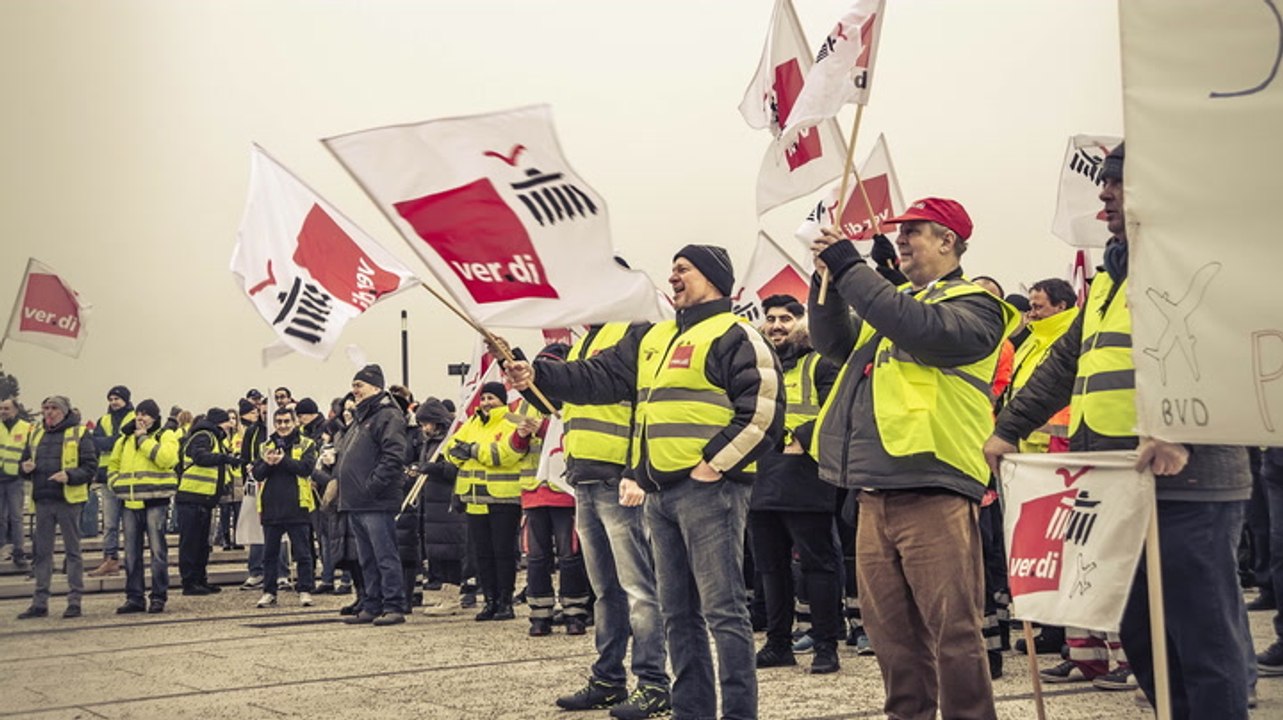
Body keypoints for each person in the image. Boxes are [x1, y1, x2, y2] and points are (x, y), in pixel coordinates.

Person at [985, 142, 1252, 719]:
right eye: (1103, 181)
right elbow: (1065, 362)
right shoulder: (1110, 275)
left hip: (1191, 482)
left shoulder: (1195, 257)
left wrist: (1178, 424)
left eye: (1118, 182)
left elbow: (1234, 350)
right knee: (1143, 636)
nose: (1103, 193)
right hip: (1115, 484)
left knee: (1202, 636)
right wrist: (1009, 429)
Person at [506, 244, 784, 720]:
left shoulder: (735, 334)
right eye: (671, 269)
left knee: (724, 612)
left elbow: (763, 411)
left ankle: (739, 713)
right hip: (661, 494)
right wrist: (539, 375)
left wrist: (712, 465)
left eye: (684, 269)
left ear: (714, 278)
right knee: (678, 612)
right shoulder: (655, 338)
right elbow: (598, 377)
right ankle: (692, 709)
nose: (672, 277)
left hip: (711, 492)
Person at [808, 198, 1017, 719]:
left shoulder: (976, 304)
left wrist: (850, 266)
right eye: (898, 231)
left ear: (948, 240)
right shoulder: (894, 302)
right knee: (892, 637)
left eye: (913, 231)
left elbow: (925, 331)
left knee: (953, 632)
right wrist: (827, 284)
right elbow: (832, 341)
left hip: (935, 485)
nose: (900, 239)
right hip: (875, 491)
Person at [547, 321, 672, 718]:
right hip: (584, 477)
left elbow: (647, 405)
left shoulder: (635, 332)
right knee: (605, 592)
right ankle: (607, 680)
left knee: (638, 589)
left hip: (618, 478)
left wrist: (637, 470)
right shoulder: (587, 341)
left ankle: (653, 684)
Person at [748, 294, 844, 675]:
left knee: (818, 566)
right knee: (770, 568)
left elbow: (838, 410)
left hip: (806, 480)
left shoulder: (821, 362)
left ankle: (826, 646)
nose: (776, 325)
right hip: (761, 480)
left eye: (786, 318)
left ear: (802, 323)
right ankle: (778, 644)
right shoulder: (757, 367)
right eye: (770, 318)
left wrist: (803, 435)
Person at [445, 381, 527, 622]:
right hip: (475, 498)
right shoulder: (472, 422)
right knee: (483, 554)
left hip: (503, 497)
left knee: (503, 553)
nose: (486, 403)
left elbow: (505, 453)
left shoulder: (512, 420)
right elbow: (451, 448)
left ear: (502, 400)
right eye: (483, 398)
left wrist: (472, 451)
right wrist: (467, 451)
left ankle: (505, 601)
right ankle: (489, 600)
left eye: (491, 398)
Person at [337, 364, 410, 626]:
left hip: (376, 500)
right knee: (367, 558)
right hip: (357, 501)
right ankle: (372, 603)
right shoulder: (361, 417)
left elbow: (394, 455)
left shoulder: (387, 416)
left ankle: (393, 605)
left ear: (376, 387)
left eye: (359, 385)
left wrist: (373, 485)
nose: (354, 390)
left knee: (384, 555)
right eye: (354, 384)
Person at [16, 396, 97, 619]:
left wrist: (69, 475)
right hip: (42, 500)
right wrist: (25, 468)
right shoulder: (36, 433)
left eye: (53, 408)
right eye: (46, 408)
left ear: (64, 411)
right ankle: (39, 602)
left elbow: (90, 467)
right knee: (41, 553)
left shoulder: (80, 433)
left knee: (73, 552)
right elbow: (22, 465)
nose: (48, 412)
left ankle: (74, 601)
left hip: (68, 501)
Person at [109, 399, 180, 614]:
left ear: (155, 418)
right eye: (139, 413)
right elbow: (113, 464)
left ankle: (158, 596)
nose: (141, 418)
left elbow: (167, 459)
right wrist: (114, 483)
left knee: (158, 552)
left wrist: (144, 440)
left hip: (155, 502)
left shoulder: (164, 435)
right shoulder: (124, 439)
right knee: (131, 553)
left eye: (146, 414)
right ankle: (134, 597)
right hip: (130, 502)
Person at [252, 407, 318, 609]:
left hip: (297, 504)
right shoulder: (266, 445)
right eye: (279, 422)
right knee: (269, 553)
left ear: (294, 422)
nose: (282, 426)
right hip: (271, 505)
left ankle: (305, 589)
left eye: (286, 422)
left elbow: (306, 468)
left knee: (303, 552)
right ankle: (269, 592)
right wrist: (268, 463)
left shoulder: (306, 443)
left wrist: (283, 460)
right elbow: (257, 474)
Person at [175, 407, 240, 595]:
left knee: (202, 544)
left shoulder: (215, 438)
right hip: (192, 497)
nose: (231, 425)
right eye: (228, 421)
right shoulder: (204, 436)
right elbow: (200, 457)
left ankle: (200, 579)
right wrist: (225, 458)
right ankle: (189, 582)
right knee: (191, 543)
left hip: (204, 499)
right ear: (220, 422)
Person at [87, 385, 133, 577]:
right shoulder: (103, 420)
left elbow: (121, 441)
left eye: (117, 398)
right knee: (110, 523)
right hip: (107, 477)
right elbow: (95, 442)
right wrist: (114, 440)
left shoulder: (134, 417)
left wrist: (110, 441)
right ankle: (110, 558)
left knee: (130, 523)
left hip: (128, 475)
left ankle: (131, 558)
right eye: (111, 398)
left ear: (125, 400)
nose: (113, 402)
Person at [0, 397, 33, 569]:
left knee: (16, 517)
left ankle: (19, 551)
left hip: (15, 478)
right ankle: (2, 548)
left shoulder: (26, 428)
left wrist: (26, 466)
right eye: (1, 408)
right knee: (1, 517)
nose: (3, 411)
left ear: (15, 410)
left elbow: (31, 450)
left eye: (6, 408)